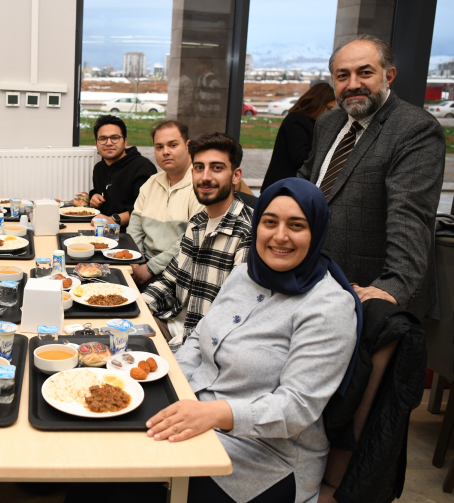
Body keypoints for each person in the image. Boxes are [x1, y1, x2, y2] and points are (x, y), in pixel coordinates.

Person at [146, 178, 361, 503]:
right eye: (269, 222)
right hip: (198, 417)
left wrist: (215, 413)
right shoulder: (243, 275)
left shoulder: (328, 307)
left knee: (132, 482)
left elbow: (296, 408)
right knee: (110, 463)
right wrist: (169, 389)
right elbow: (199, 339)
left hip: (266, 458)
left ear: (316, 231)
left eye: (296, 225)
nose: (280, 236)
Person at [298, 34, 446, 319]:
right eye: (343, 75)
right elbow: (306, 183)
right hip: (314, 279)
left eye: (365, 73)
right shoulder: (328, 122)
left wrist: (393, 285)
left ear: (388, 76)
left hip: (370, 291)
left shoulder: (415, 129)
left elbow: (410, 216)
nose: (353, 84)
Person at [143, 132, 253, 345]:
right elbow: (169, 281)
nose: (205, 177)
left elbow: (233, 316)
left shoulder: (247, 232)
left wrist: (175, 349)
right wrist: (136, 308)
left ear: (236, 175)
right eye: (199, 168)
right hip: (170, 323)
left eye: (217, 168)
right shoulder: (197, 222)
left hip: (200, 343)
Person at [127, 120, 204, 287]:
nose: (165, 152)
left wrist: (150, 268)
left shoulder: (202, 186)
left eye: (173, 145)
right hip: (143, 263)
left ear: (188, 146)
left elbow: (190, 240)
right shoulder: (151, 183)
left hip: (178, 270)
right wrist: (135, 261)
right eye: (159, 147)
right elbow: (134, 229)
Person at [261, 83, 335, 192]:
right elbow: (300, 158)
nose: (328, 113)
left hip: (289, 186)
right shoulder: (297, 120)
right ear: (318, 103)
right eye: (329, 108)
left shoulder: (309, 122)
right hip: (282, 188)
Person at [88, 115, 157, 230]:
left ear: (125, 142)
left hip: (131, 234)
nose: (109, 143)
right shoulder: (99, 168)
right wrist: (94, 196)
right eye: (103, 139)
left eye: (115, 138)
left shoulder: (143, 167)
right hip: (102, 230)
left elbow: (146, 209)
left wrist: (112, 220)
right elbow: (103, 194)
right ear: (97, 143)